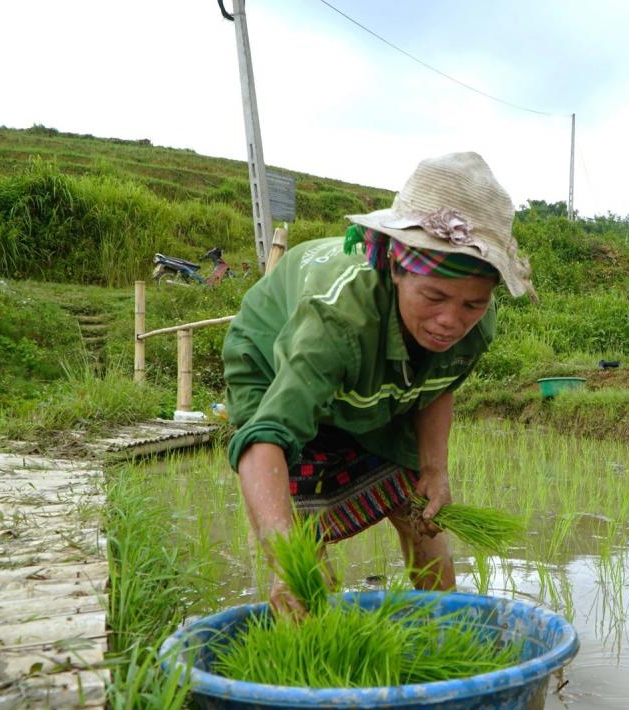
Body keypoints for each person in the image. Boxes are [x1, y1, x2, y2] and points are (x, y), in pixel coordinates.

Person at [222, 151, 534, 617]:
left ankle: (444, 626)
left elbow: (436, 383)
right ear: (394, 268)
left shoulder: (476, 326)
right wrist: (286, 561)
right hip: (274, 364)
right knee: (302, 554)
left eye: (472, 305)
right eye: (434, 296)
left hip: (369, 368)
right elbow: (266, 437)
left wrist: (434, 467)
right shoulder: (335, 321)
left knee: (420, 513)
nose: (450, 321)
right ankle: (315, 649)